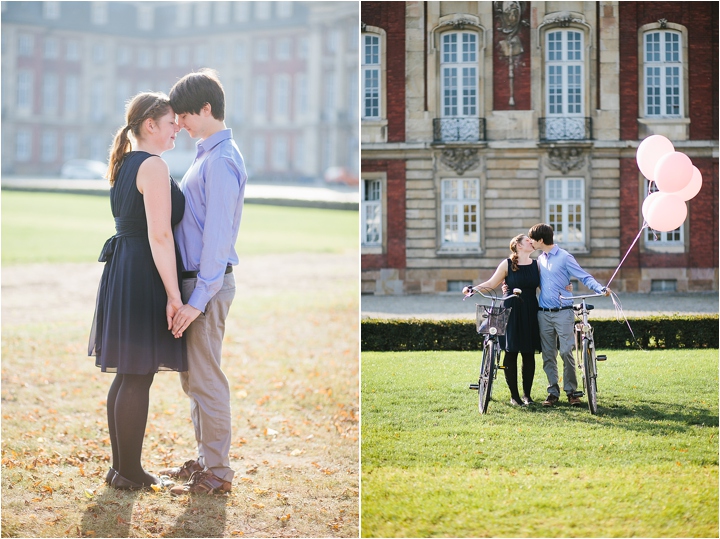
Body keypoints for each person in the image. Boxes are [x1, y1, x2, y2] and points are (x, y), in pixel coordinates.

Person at [88, 92, 185, 490]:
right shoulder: (154, 166)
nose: (177, 128)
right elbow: (160, 236)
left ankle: (121, 468)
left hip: (123, 269)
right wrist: (175, 295)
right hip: (142, 271)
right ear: (150, 125)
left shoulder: (125, 163)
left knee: (129, 373)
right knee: (137, 374)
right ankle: (129, 472)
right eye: (170, 123)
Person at [158, 69, 247, 496]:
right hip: (197, 283)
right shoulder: (206, 155)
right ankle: (205, 460)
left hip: (207, 285)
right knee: (193, 377)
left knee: (206, 378)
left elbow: (217, 239)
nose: (179, 124)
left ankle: (218, 473)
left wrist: (197, 298)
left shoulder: (222, 160)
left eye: (183, 116)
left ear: (206, 108)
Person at [527, 223, 608, 407]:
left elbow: (584, 276)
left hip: (563, 312)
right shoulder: (540, 259)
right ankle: (552, 392)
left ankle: (571, 392)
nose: (531, 241)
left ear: (540, 240)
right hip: (543, 314)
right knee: (548, 354)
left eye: (532, 238)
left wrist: (600, 288)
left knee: (565, 352)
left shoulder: (564, 257)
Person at [463, 235, 543, 406]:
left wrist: (566, 288)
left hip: (530, 309)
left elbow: (546, 286)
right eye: (528, 241)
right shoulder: (506, 264)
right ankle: (514, 396)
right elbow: (492, 283)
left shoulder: (537, 265)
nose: (532, 242)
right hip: (510, 309)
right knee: (511, 351)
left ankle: (527, 396)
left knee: (529, 353)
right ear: (519, 246)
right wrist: (473, 289)